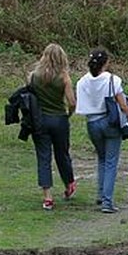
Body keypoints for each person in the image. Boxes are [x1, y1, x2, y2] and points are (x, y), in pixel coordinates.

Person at [74, 48, 128, 214]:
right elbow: (123, 105)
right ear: (105, 63)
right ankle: (107, 202)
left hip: (91, 122)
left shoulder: (82, 81)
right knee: (111, 161)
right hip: (109, 122)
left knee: (102, 158)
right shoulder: (112, 80)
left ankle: (101, 194)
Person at [27, 43, 77, 211]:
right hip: (59, 119)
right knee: (62, 154)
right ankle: (69, 183)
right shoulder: (64, 77)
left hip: (40, 120)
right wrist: (68, 113)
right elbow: (71, 102)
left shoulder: (33, 76)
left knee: (43, 157)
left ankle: (47, 197)